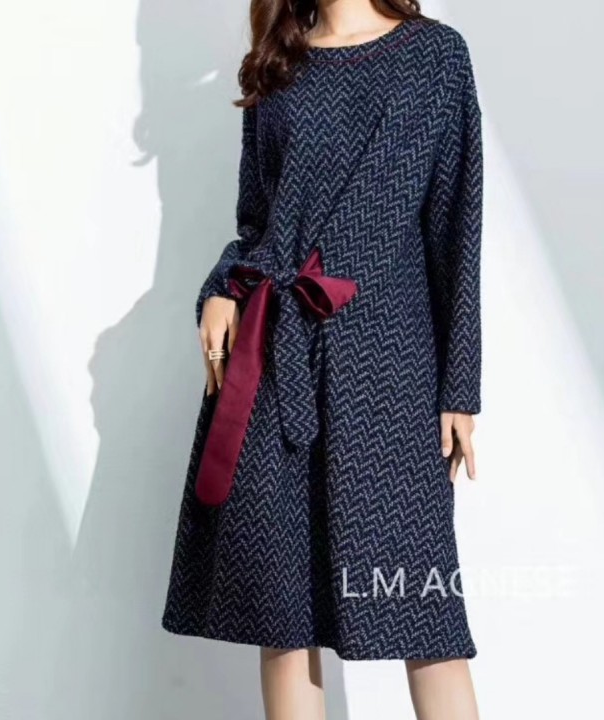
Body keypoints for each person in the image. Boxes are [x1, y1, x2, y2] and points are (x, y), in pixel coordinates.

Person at [162, 1, 483, 718]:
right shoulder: (278, 64)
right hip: (276, 362)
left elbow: (456, 227)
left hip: (391, 370)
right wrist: (222, 289)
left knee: (422, 611)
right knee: (284, 620)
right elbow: (256, 224)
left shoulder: (434, 56)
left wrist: (460, 386)